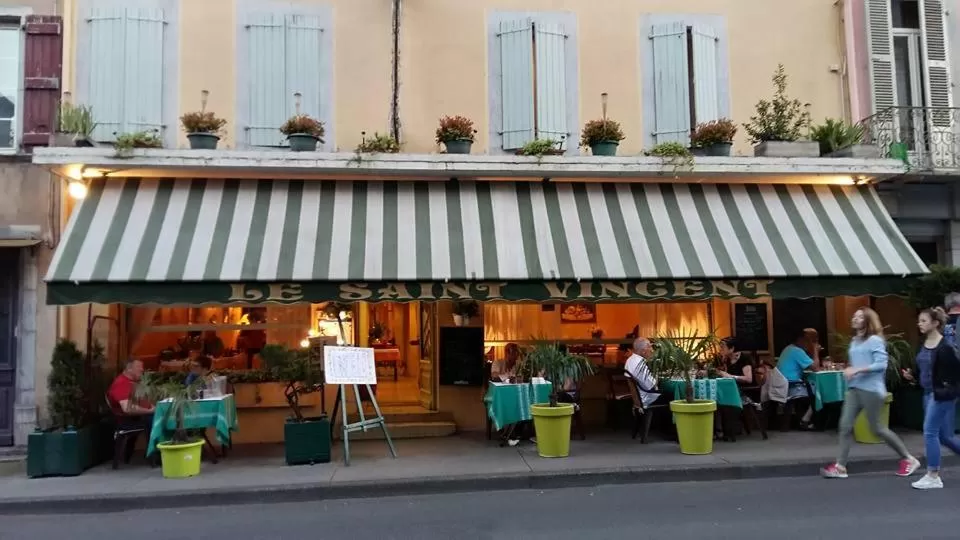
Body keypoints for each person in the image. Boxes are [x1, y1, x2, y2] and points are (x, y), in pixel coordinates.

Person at [821, 307, 921, 479]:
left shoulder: (875, 340)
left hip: (871, 390)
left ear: (868, 321)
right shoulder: (854, 341)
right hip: (854, 389)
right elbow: (858, 361)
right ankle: (840, 466)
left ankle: (908, 458)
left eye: (860, 317)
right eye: (854, 316)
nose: (855, 318)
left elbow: (881, 364)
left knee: (877, 428)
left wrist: (857, 369)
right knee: (845, 426)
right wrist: (849, 369)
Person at [905, 307, 960, 489]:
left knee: (930, 431)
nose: (919, 324)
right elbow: (924, 368)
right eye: (919, 321)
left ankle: (933, 475)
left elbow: (955, 372)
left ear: (935, 323)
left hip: (941, 395)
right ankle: (932, 474)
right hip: (927, 393)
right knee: (944, 437)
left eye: (924, 321)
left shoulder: (946, 347)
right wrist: (912, 375)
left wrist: (946, 388)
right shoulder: (923, 344)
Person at [107, 359, 155, 431]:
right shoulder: (122, 383)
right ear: (129, 369)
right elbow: (128, 409)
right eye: (138, 367)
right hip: (130, 421)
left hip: (138, 418)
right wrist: (150, 411)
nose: (142, 369)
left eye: (142, 367)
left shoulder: (131, 382)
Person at [624, 337, 661, 408]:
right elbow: (652, 385)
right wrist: (657, 374)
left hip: (639, 398)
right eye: (650, 347)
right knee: (673, 395)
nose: (652, 350)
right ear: (643, 351)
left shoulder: (630, 359)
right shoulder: (640, 364)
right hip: (648, 399)